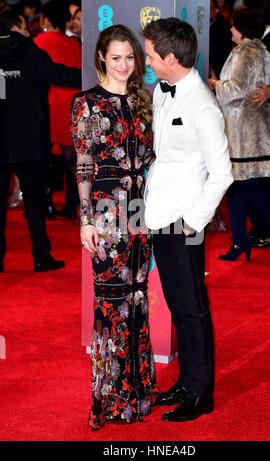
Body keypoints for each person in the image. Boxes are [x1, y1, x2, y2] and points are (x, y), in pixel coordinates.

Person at [142, 18, 233, 422]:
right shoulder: (163, 91)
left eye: (149, 55)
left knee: (192, 309)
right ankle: (186, 382)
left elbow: (223, 172)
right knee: (180, 308)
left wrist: (194, 222)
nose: (146, 61)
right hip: (160, 214)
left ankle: (200, 393)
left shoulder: (202, 104)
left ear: (170, 58)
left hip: (184, 223)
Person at [70, 24, 159, 430]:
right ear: (102, 58)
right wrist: (86, 219)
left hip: (141, 210)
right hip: (107, 213)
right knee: (109, 304)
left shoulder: (144, 98)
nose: (124, 65)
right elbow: (84, 165)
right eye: (116, 57)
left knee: (138, 298)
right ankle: (109, 398)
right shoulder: (86, 103)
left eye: (130, 57)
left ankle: (139, 393)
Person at [209, 8, 270, 260]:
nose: (230, 30)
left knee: (240, 185)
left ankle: (248, 240)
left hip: (244, 131)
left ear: (243, 29)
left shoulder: (247, 52)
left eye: (234, 26)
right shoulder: (258, 51)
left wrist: (214, 84)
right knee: (244, 186)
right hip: (249, 129)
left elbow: (236, 87)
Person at [0, 8, 81, 272]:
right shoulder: (32, 53)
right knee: (35, 204)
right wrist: (97, 76)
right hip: (30, 141)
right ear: (15, 28)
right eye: (24, 26)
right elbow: (61, 75)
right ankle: (40, 257)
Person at [35, 0, 81, 220]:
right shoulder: (75, 43)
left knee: (43, 156)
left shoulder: (40, 41)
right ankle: (73, 202)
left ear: (46, 19)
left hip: (50, 102)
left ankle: (47, 205)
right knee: (72, 155)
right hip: (73, 104)